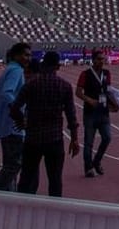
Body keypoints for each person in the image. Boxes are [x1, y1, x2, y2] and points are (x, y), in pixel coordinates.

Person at [12, 51, 80, 198]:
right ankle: (53, 212)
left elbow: (15, 108)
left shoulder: (31, 85)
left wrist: (21, 122)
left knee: (26, 178)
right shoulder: (65, 86)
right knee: (55, 181)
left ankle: (20, 209)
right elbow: (71, 116)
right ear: (58, 66)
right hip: (54, 139)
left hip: (33, 138)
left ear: (42, 65)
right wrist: (74, 139)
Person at [0, 43, 29, 192]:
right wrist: (18, 113)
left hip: (6, 124)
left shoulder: (9, 70)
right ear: (16, 55)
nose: (28, 58)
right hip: (12, 126)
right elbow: (7, 93)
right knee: (14, 165)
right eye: (25, 55)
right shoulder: (16, 71)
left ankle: (8, 197)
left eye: (29, 55)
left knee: (9, 166)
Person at [75, 49, 114, 177]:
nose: (101, 61)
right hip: (90, 113)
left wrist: (115, 103)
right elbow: (78, 92)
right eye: (99, 59)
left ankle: (96, 161)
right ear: (93, 60)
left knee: (107, 137)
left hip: (103, 112)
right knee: (89, 142)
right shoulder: (85, 74)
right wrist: (89, 99)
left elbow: (108, 91)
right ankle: (88, 168)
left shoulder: (107, 73)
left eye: (103, 59)